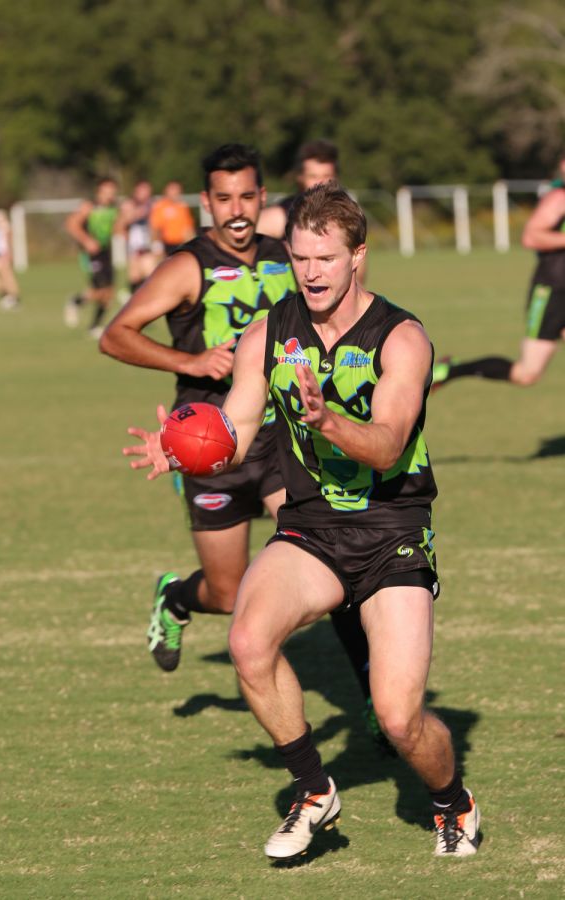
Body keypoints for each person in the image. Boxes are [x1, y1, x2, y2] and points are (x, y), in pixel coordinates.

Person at [123, 183, 480, 860]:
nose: (311, 272)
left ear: (357, 257)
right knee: (248, 642)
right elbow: (237, 424)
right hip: (311, 529)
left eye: (326, 258)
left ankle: (451, 801)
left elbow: (388, 445)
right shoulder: (268, 333)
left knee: (399, 718)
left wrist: (325, 420)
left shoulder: (402, 337)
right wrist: (185, 446)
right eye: (300, 257)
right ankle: (314, 792)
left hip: (393, 532)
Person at [102, 144, 386, 748]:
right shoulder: (187, 266)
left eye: (248, 196)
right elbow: (115, 335)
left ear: (263, 198)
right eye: (224, 198)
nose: (237, 209)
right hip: (213, 442)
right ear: (206, 202)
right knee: (228, 593)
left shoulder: (290, 256)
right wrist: (190, 361)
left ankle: (372, 695)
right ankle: (177, 598)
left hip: (285, 440)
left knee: (333, 562)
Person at [433, 154, 565, 390]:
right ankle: (452, 370)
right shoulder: (559, 198)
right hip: (552, 291)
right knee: (527, 374)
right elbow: (531, 236)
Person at [64, 177, 119, 338]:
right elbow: (71, 224)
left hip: (106, 251)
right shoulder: (89, 206)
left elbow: (115, 228)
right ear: (99, 192)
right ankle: (76, 303)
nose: (109, 195)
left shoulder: (114, 208)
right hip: (91, 254)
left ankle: (93, 324)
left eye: (112, 191)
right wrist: (86, 240)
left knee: (109, 293)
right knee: (100, 290)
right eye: (106, 191)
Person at [257, 139, 339, 240]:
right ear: (300, 177)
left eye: (326, 176)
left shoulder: (346, 214)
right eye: (313, 176)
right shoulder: (281, 216)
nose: (320, 182)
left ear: (336, 177)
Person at [114, 179, 159, 295]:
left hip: (147, 246)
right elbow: (119, 226)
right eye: (143, 190)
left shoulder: (152, 204)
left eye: (148, 190)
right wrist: (134, 215)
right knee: (135, 277)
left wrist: (156, 244)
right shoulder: (128, 205)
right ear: (136, 191)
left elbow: (155, 226)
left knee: (150, 275)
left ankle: (144, 298)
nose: (145, 193)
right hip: (133, 248)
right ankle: (130, 295)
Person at [149, 180, 196, 257]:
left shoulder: (183, 207)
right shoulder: (160, 206)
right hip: (165, 244)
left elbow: (188, 228)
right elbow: (155, 228)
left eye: (177, 190)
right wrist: (157, 245)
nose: (175, 192)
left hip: (180, 244)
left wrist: (191, 245)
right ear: (166, 191)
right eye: (173, 189)